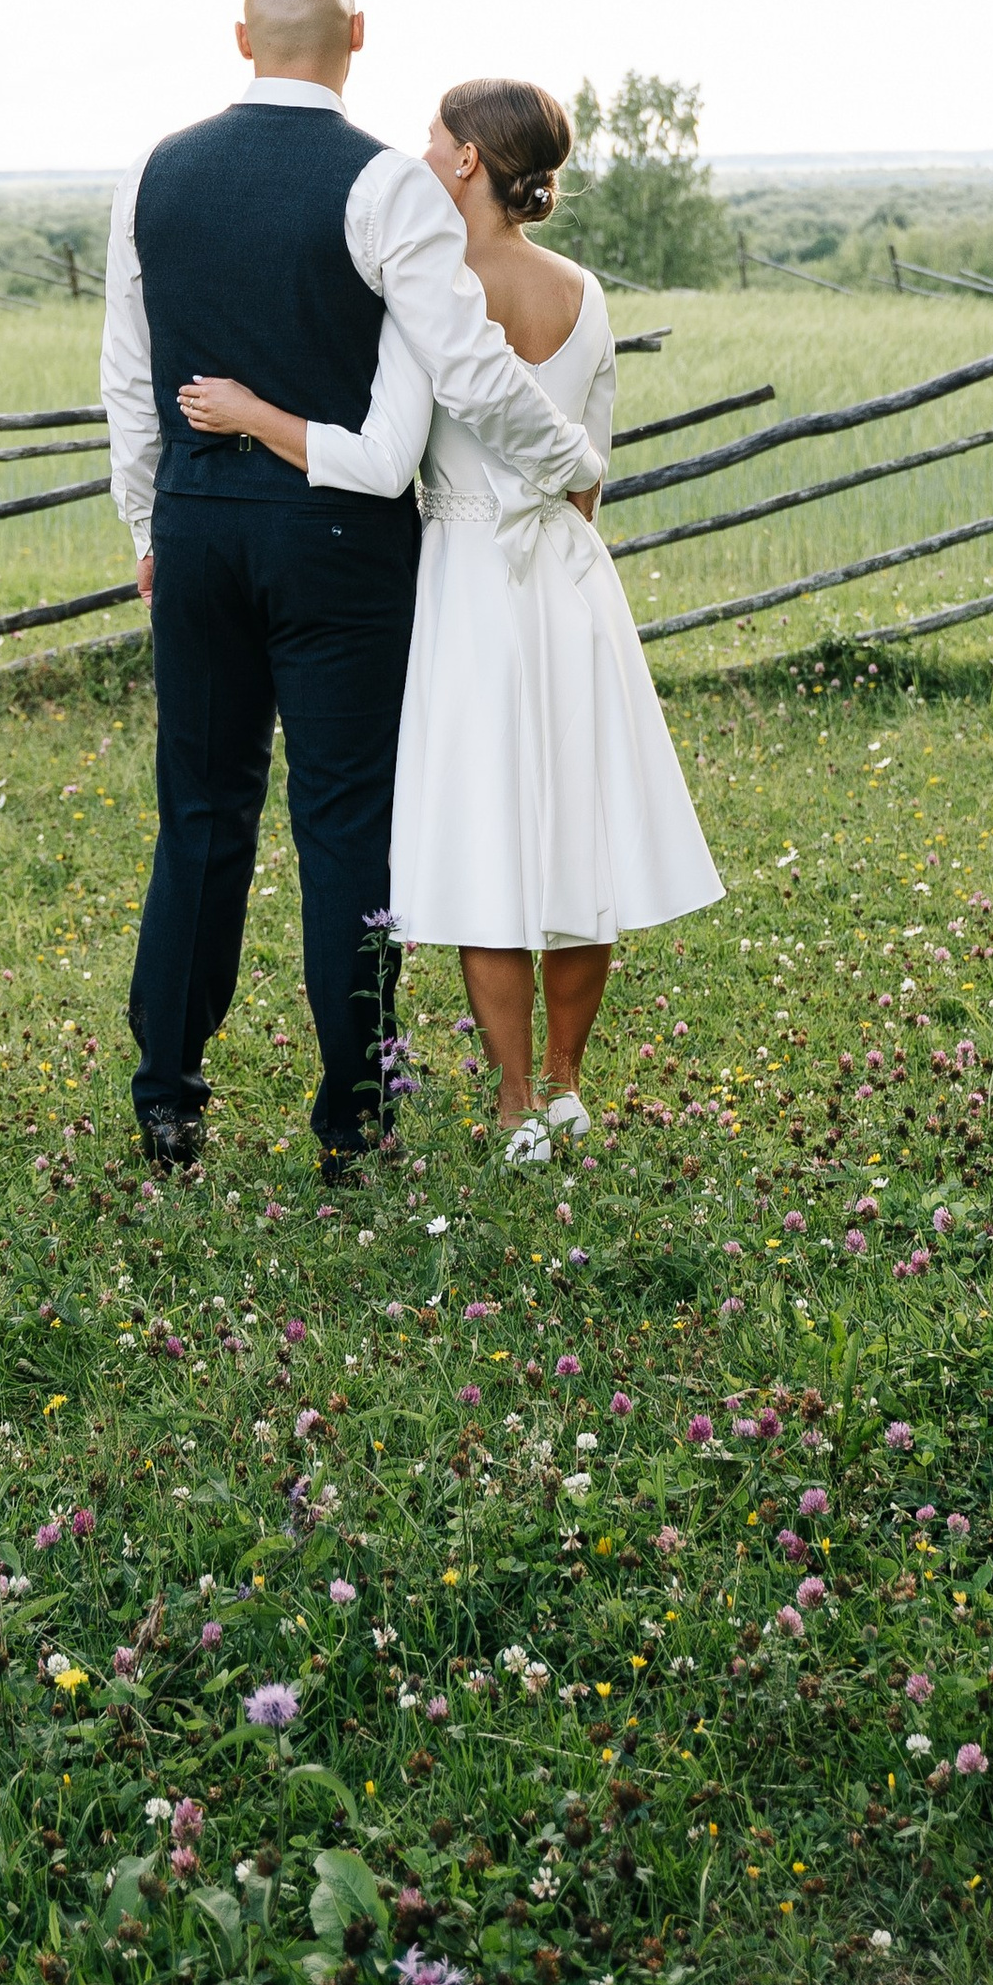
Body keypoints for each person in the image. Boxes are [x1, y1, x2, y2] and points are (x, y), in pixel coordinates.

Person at [103, 0, 604, 1183]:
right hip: (338, 547)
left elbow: (128, 380)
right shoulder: (387, 183)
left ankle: (169, 1100)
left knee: (200, 819)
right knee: (344, 831)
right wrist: (574, 458)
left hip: (201, 526)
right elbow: (473, 366)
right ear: (358, 36)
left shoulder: (151, 175)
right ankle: (354, 1119)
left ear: (239, 38)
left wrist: (149, 531)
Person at [179, 75, 722, 1168]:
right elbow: (588, 479)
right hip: (572, 582)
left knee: (489, 841)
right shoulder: (584, 289)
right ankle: (568, 1086)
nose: (421, 152)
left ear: (469, 160)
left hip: (472, 580)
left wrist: (251, 415)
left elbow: (381, 463)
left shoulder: (432, 295)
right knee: (576, 833)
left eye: (433, 136)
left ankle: (516, 1101)